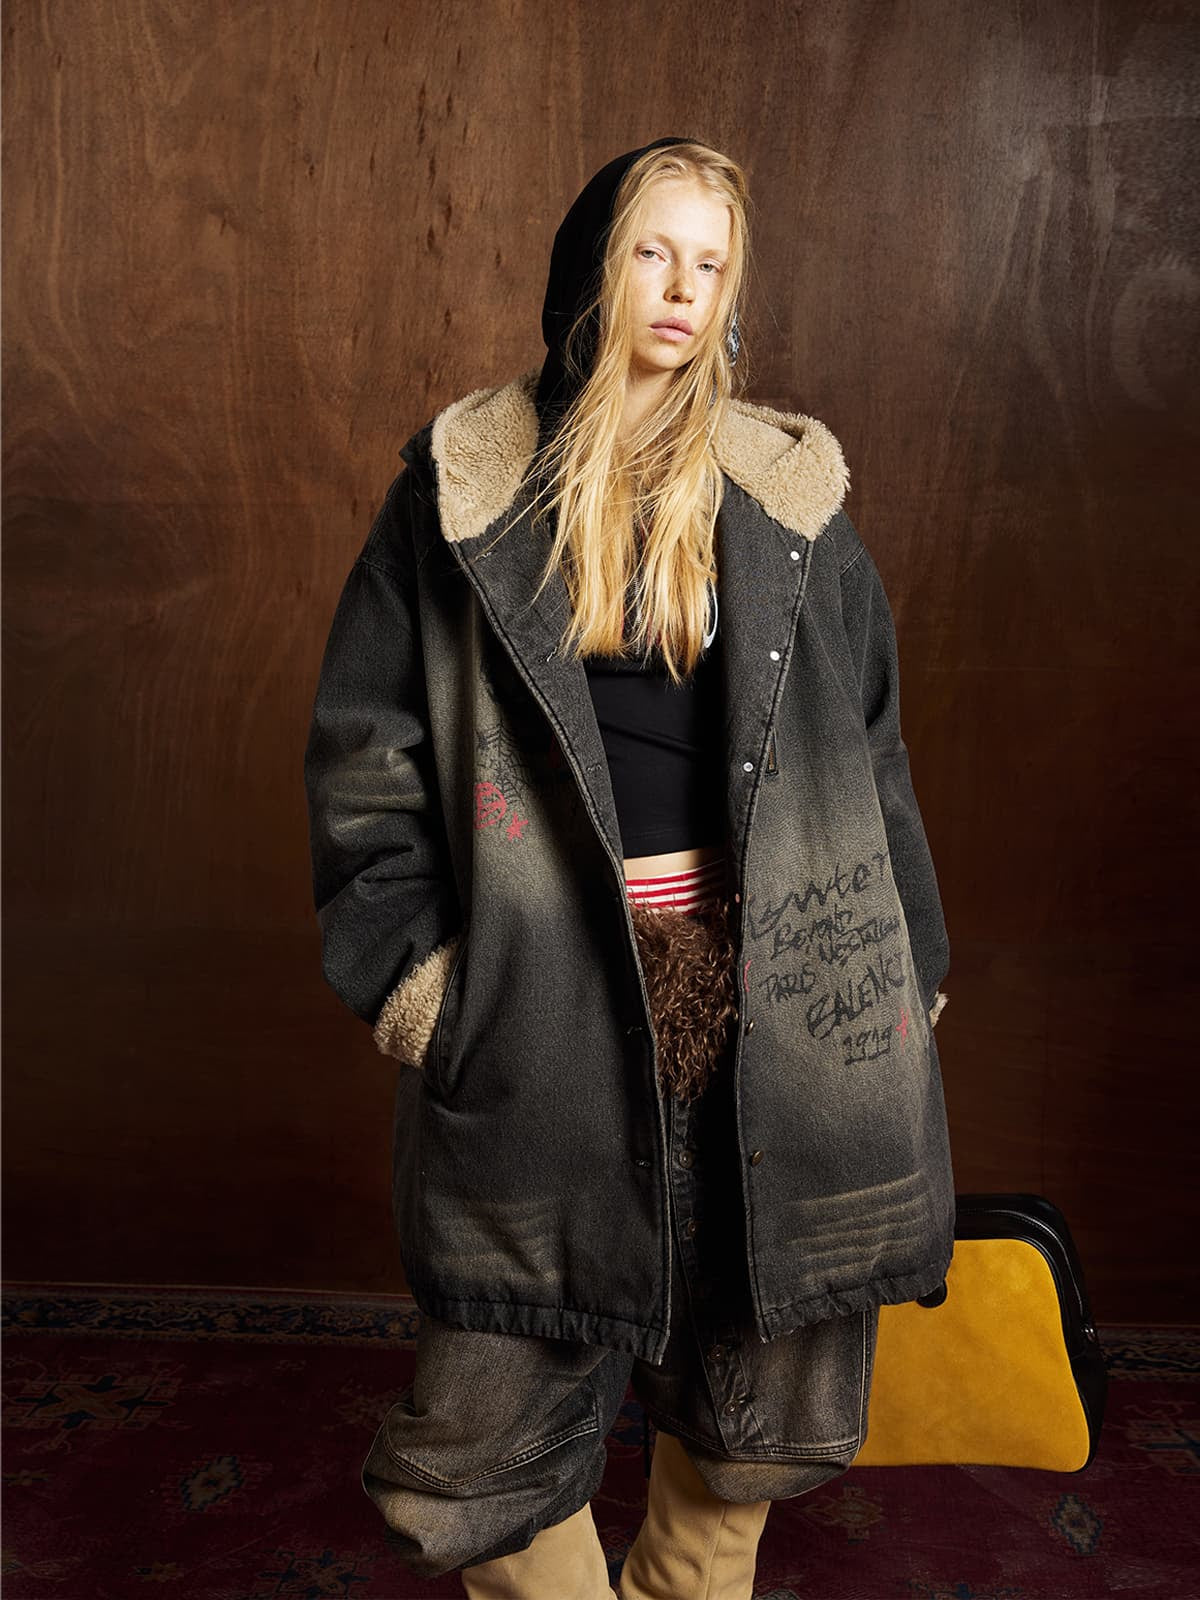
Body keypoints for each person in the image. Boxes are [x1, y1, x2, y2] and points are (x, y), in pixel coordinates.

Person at [303, 137, 956, 1598]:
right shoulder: (464, 495)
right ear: (592, 270)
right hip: (545, 994)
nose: (682, 290)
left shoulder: (787, 500)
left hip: (778, 998)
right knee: (491, 1426)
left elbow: (873, 750)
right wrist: (430, 992)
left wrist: (905, 977)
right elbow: (364, 761)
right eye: (654, 253)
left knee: (758, 1391)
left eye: (711, 265)